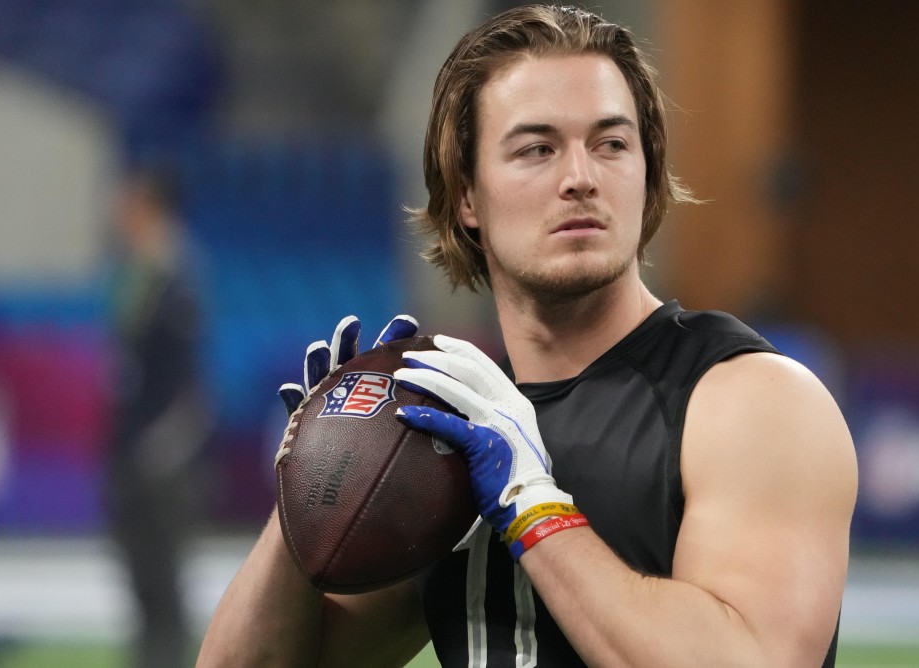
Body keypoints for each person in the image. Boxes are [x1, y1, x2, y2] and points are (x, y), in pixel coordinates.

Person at [197, 5, 856, 667]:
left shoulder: (752, 400)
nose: (580, 177)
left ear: (648, 173)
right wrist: (308, 485)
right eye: (536, 149)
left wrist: (532, 506)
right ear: (467, 198)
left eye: (611, 144)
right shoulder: (452, 434)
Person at [107, 164, 211, 667]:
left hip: (163, 457)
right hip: (130, 449)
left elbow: (187, 381)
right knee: (140, 576)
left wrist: (166, 448)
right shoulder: (139, 275)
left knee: (164, 577)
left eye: (132, 202)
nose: (120, 212)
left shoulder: (177, 275)